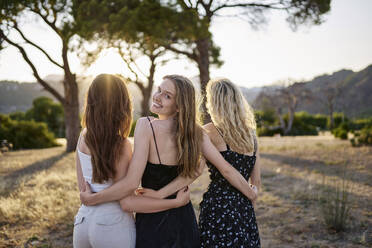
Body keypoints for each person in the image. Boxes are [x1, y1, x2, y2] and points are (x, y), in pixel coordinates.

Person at [97, 74, 257, 247]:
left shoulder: (146, 125)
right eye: (159, 90)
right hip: (184, 220)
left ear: (179, 106)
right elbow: (215, 169)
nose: (157, 97)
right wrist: (250, 193)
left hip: (153, 220)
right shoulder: (197, 133)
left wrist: (94, 198)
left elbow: (132, 181)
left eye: (167, 95)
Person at [73, 74, 188, 248]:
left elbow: (83, 188)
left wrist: (90, 200)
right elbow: (127, 198)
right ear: (123, 104)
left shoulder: (83, 136)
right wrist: (175, 202)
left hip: (82, 222)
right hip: (112, 224)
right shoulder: (121, 144)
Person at [199, 78, 261, 247]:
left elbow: (201, 170)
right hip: (244, 206)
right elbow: (256, 181)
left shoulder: (208, 132)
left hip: (217, 207)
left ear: (214, 103)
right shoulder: (251, 135)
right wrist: (250, 200)